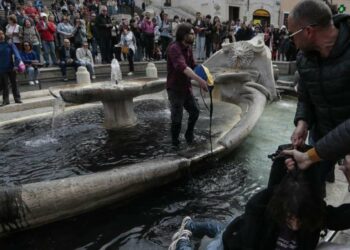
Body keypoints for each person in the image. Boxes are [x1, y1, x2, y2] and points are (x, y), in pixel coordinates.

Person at [286, 0, 350, 184]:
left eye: (292, 35)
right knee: (309, 186)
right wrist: (302, 122)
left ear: (308, 31)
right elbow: (305, 97)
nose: (292, 41)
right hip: (320, 135)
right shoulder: (303, 58)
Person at [166, 23, 208, 147]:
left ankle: (188, 134)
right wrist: (200, 81)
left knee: (195, 111)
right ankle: (175, 144)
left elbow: (193, 66)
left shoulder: (188, 48)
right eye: (192, 33)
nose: (194, 35)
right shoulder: (174, 48)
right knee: (177, 119)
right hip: (175, 89)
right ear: (184, 35)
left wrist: (207, 75)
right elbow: (184, 68)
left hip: (186, 88)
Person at [0, 29, 23, 106]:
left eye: (2, 33)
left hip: (12, 67)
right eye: (0, 34)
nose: (1, 35)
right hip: (2, 69)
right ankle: (5, 100)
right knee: (5, 85)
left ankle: (17, 98)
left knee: (14, 83)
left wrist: (16, 65)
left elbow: (17, 55)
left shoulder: (9, 44)